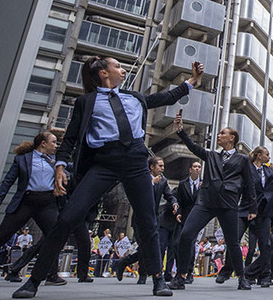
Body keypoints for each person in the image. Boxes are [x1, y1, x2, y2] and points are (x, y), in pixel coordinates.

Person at [12, 57, 202, 298]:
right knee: (67, 217)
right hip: (104, 162)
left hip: (135, 162)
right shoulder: (87, 102)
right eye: (118, 67)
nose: (123, 70)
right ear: (104, 73)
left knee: (147, 222)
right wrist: (60, 166)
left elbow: (166, 97)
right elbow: (70, 138)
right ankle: (33, 281)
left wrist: (192, 81)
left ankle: (158, 280)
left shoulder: (134, 98)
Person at [0, 132, 65, 288]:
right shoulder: (22, 160)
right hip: (25, 202)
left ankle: (52, 275)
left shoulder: (55, 162)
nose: (56, 146)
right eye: (54, 142)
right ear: (43, 143)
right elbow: (8, 180)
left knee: (54, 237)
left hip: (47, 203)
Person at [169, 115, 256, 291]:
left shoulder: (242, 159)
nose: (219, 135)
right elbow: (193, 147)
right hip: (206, 202)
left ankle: (242, 277)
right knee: (186, 235)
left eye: (223, 133)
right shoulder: (212, 156)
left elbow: (249, 184)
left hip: (229, 203)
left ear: (232, 138)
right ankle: (181, 276)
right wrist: (181, 130)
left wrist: (252, 207)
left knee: (233, 243)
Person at [116, 157, 178, 284]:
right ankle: (132, 268)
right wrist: (151, 183)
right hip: (139, 218)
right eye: (160, 166)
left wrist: (174, 202)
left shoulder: (163, 181)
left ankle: (132, 267)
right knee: (145, 246)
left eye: (163, 166)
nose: (162, 168)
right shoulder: (142, 177)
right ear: (152, 167)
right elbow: (137, 194)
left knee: (149, 246)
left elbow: (169, 195)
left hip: (153, 219)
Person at [239, 146, 273, 286]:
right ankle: (243, 273)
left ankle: (261, 275)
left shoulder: (270, 172)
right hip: (247, 210)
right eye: (267, 154)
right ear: (259, 155)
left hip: (265, 213)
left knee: (267, 246)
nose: (269, 157)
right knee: (241, 243)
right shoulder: (247, 169)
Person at [170, 161, 201, 283]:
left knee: (191, 244)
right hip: (184, 217)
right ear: (190, 169)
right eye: (195, 167)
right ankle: (180, 268)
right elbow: (180, 201)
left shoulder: (203, 185)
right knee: (177, 243)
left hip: (197, 218)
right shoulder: (183, 184)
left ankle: (188, 272)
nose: (197, 169)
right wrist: (178, 213)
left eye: (199, 167)